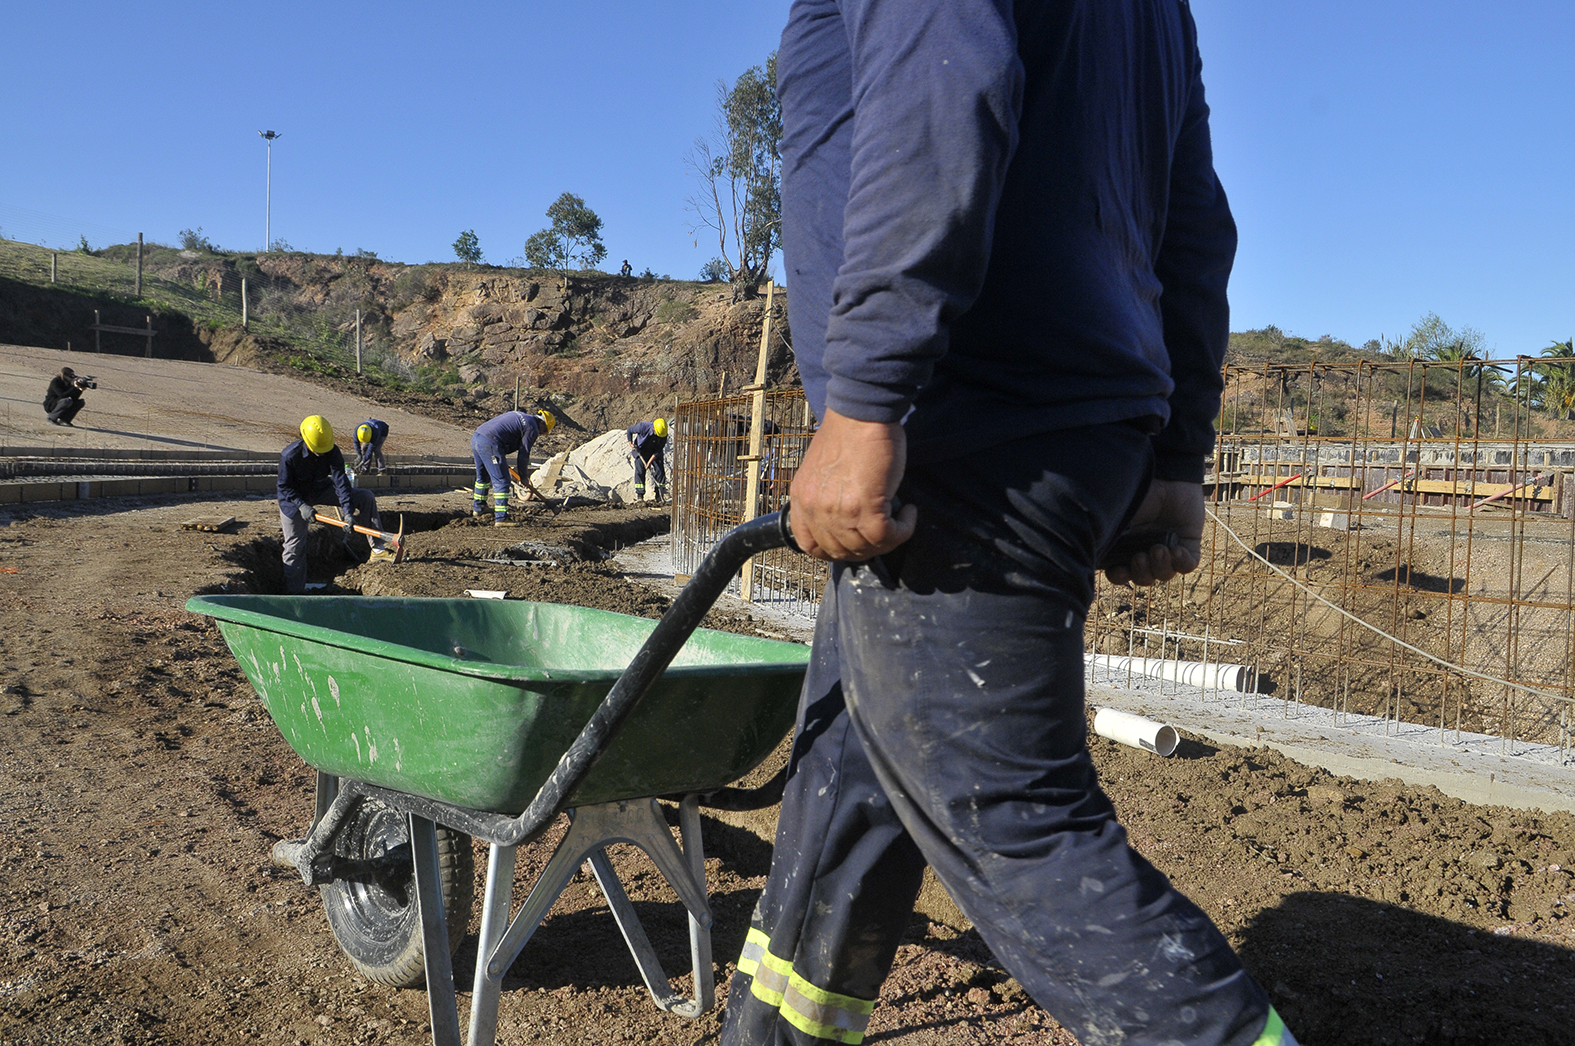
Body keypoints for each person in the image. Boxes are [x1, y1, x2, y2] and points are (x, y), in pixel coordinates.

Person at [719, 4, 1298, 1046]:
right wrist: (1174, 457)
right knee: (853, 776)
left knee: (1021, 828)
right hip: (1057, 421)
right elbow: (1191, 213)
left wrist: (866, 397)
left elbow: (948, 84)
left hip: (969, 431)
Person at [277, 416, 391, 595]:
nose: (321, 454)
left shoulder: (331, 450)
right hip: (294, 498)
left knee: (366, 497)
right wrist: (302, 506)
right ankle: (295, 595)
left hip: (320, 488)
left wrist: (347, 511)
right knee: (294, 546)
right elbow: (284, 487)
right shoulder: (290, 455)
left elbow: (341, 482)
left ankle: (378, 549)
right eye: (317, 451)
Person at [471, 408, 553, 525]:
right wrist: (523, 477)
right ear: (542, 422)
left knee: (483, 477)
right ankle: (501, 519)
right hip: (490, 442)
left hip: (477, 438)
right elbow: (524, 454)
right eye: (544, 430)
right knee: (502, 481)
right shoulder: (532, 427)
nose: (541, 433)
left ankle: (479, 508)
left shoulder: (521, 417)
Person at [624, 417, 668, 502]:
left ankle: (659, 494)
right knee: (640, 471)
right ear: (653, 428)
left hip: (654, 452)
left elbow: (658, 450)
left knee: (660, 472)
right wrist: (630, 443)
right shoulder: (643, 427)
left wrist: (649, 462)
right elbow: (629, 430)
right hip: (641, 451)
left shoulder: (663, 434)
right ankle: (640, 496)